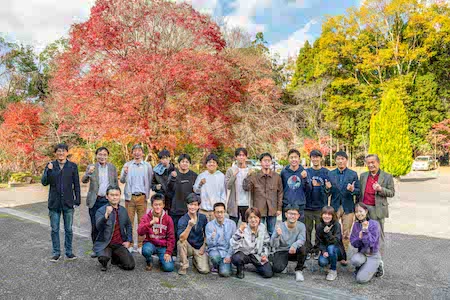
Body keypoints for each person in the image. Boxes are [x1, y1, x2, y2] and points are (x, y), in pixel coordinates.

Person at [41, 143, 80, 262]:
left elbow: (76, 184)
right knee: (54, 229)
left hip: (68, 202)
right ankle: (56, 252)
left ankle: (69, 252)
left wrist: (77, 199)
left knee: (68, 229)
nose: (61, 153)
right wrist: (48, 170)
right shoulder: (51, 165)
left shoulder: (72, 166)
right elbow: (44, 182)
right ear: (55, 153)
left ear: (67, 152)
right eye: (58, 151)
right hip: (54, 203)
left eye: (63, 151)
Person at [359, 154, 394, 277]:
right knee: (363, 235)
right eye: (368, 163)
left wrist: (380, 189)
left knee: (378, 237)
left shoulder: (387, 176)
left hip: (377, 210)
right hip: (364, 211)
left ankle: (379, 263)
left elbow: (391, 193)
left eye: (373, 162)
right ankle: (364, 261)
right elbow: (359, 192)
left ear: (378, 163)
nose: (370, 165)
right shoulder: (363, 176)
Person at [82, 146, 119, 258]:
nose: (102, 156)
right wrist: (88, 172)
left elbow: (115, 184)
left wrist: (116, 200)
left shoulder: (112, 167)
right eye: (100, 154)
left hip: (107, 201)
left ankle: (106, 248)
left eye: (104, 154)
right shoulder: (91, 167)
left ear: (107, 156)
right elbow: (84, 180)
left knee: (107, 225)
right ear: (96, 155)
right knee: (95, 225)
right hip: (95, 200)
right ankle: (96, 249)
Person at [120, 144, 153, 253]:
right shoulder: (127, 165)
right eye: (135, 150)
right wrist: (124, 173)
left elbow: (150, 179)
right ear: (132, 153)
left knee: (142, 222)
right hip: (130, 197)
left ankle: (140, 244)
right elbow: (122, 180)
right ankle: (129, 243)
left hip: (142, 197)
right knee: (128, 221)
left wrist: (148, 196)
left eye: (139, 151)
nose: (137, 153)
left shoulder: (147, 166)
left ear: (142, 153)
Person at [94, 186, 135, 272]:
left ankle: (115, 257)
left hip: (119, 243)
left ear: (120, 196)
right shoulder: (101, 210)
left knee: (129, 266)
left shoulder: (123, 210)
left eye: (116, 195)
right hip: (106, 243)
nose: (114, 197)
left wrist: (128, 240)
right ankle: (106, 257)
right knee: (103, 258)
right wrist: (106, 216)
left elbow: (128, 226)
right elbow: (98, 227)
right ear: (107, 196)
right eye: (112, 195)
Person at [328, 151, 360, 258]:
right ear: (335, 160)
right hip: (335, 206)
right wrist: (326, 188)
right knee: (333, 232)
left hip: (348, 207)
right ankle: (333, 254)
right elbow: (327, 192)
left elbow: (358, 191)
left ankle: (343, 255)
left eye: (343, 159)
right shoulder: (331, 174)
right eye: (338, 159)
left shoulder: (353, 174)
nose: (340, 161)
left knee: (346, 234)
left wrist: (352, 189)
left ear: (346, 160)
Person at [243, 152, 283, 237]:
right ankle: (259, 248)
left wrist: (279, 208)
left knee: (271, 231)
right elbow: (246, 188)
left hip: (272, 208)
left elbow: (280, 193)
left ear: (271, 162)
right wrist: (248, 176)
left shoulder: (276, 177)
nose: (267, 163)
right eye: (265, 160)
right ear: (261, 162)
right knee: (259, 231)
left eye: (269, 161)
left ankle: (271, 249)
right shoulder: (255, 176)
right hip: (259, 209)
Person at [167, 153, 198, 252]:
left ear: (189, 163)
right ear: (179, 163)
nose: (184, 164)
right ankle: (174, 252)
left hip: (189, 210)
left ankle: (189, 252)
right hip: (175, 208)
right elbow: (168, 190)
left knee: (189, 230)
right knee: (175, 231)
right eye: (182, 161)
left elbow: (196, 192)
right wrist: (173, 178)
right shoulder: (173, 173)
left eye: (187, 162)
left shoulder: (194, 175)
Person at [230, 207, 273, 279]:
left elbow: (266, 243)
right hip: (244, 254)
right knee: (236, 258)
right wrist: (240, 231)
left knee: (268, 274)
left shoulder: (262, 227)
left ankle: (257, 266)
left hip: (257, 255)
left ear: (259, 218)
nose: (253, 220)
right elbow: (233, 244)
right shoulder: (243, 228)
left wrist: (264, 255)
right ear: (247, 219)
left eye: (255, 217)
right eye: (250, 217)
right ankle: (240, 269)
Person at [138, 193, 175, 272]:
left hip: (163, 246)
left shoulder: (168, 219)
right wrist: (150, 223)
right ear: (152, 205)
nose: (158, 207)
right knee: (146, 250)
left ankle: (161, 260)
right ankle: (149, 261)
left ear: (163, 205)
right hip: (150, 243)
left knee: (169, 268)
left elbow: (171, 237)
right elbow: (140, 232)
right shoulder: (146, 217)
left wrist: (168, 252)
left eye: (160, 204)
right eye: (155, 205)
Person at [305, 149, 331, 260]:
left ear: (321, 158)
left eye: (317, 157)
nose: (315, 159)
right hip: (307, 206)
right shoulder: (307, 172)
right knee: (307, 230)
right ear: (310, 158)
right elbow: (303, 189)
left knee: (319, 230)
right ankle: (307, 249)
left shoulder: (326, 172)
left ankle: (317, 249)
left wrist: (326, 188)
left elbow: (329, 191)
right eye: (313, 157)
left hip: (321, 207)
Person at [270, 205, 307, 282]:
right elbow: (273, 244)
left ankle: (299, 270)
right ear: (286, 214)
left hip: (294, 251)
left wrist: (294, 245)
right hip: (282, 250)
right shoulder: (279, 226)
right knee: (277, 269)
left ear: (298, 216)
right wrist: (277, 235)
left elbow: (302, 239)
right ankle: (283, 264)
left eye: (294, 214)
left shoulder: (301, 226)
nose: (292, 216)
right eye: (290, 213)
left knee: (303, 248)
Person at [177, 193, 210, 275]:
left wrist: (203, 246)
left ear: (198, 206)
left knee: (204, 270)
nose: (193, 207)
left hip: (199, 246)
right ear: (187, 205)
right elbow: (181, 239)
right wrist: (189, 226)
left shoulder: (202, 217)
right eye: (191, 204)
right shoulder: (183, 219)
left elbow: (206, 233)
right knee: (181, 243)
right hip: (188, 246)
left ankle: (196, 261)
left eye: (195, 205)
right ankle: (183, 266)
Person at [350, 203, 382, 284]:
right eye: (356, 212)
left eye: (361, 211)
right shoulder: (356, 225)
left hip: (373, 255)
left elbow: (371, 243)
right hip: (362, 253)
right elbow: (353, 243)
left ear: (366, 211)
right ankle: (364, 266)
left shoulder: (374, 224)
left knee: (361, 280)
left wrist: (365, 232)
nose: (358, 214)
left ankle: (378, 265)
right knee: (355, 260)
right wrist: (359, 238)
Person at [205, 202, 236, 277]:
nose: (219, 214)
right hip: (216, 251)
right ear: (214, 213)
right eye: (217, 212)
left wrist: (228, 256)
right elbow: (209, 244)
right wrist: (213, 237)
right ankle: (217, 265)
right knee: (215, 257)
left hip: (227, 251)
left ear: (224, 212)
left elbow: (234, 242)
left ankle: (225, 265)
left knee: (225, 273)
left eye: (221, 212)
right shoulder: (209, 225)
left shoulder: (232, 224)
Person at [316, 206, 346, 281]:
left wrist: (328, 233)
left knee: (331, 248)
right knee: (322, 262)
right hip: (326, 249)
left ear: (333, 216)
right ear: (322, 215)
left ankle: (333, 270)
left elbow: (336, 241)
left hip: (337, 249)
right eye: (325, 214)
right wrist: (323, 251)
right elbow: (319, 241)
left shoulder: (336, 225)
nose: (327, 216)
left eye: (329, 214)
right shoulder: (319, 226)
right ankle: (331, 259)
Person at [193, 154, 226, 222]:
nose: (211, 164)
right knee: (202, 231)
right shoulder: (201, 176)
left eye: (214, 162)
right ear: (206, 164)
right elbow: (196, 190)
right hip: (203, 211)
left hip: (216, 211)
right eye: (209, 162)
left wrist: (221, 208)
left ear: (217, 165)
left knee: (216, 231)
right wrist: (200, 184)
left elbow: (223, 193)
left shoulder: (221, 176)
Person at [280, 149, 309, 222]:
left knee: (299, 228)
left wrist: (305, 179)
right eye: (291, 157)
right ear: (288, 159)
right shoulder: (284, 172)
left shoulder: (304, 171)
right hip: (287, 204)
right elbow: (280, 188)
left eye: (295, 157)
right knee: (286, 228)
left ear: (299, 159)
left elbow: (308, 189)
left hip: (300, 205)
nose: (293, 159)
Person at [225, 147, 251, 225]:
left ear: (246, 157)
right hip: (234, 203)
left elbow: (253, 187)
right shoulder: (231, 170)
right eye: (239, 155)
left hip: (247, 203)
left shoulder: (250, 171)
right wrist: (234, 176)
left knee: (247, 227)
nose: (241, 157)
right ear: (236, 157)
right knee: (232, 226)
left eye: (243, 155)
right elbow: (227, 186)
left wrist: (250, 176)